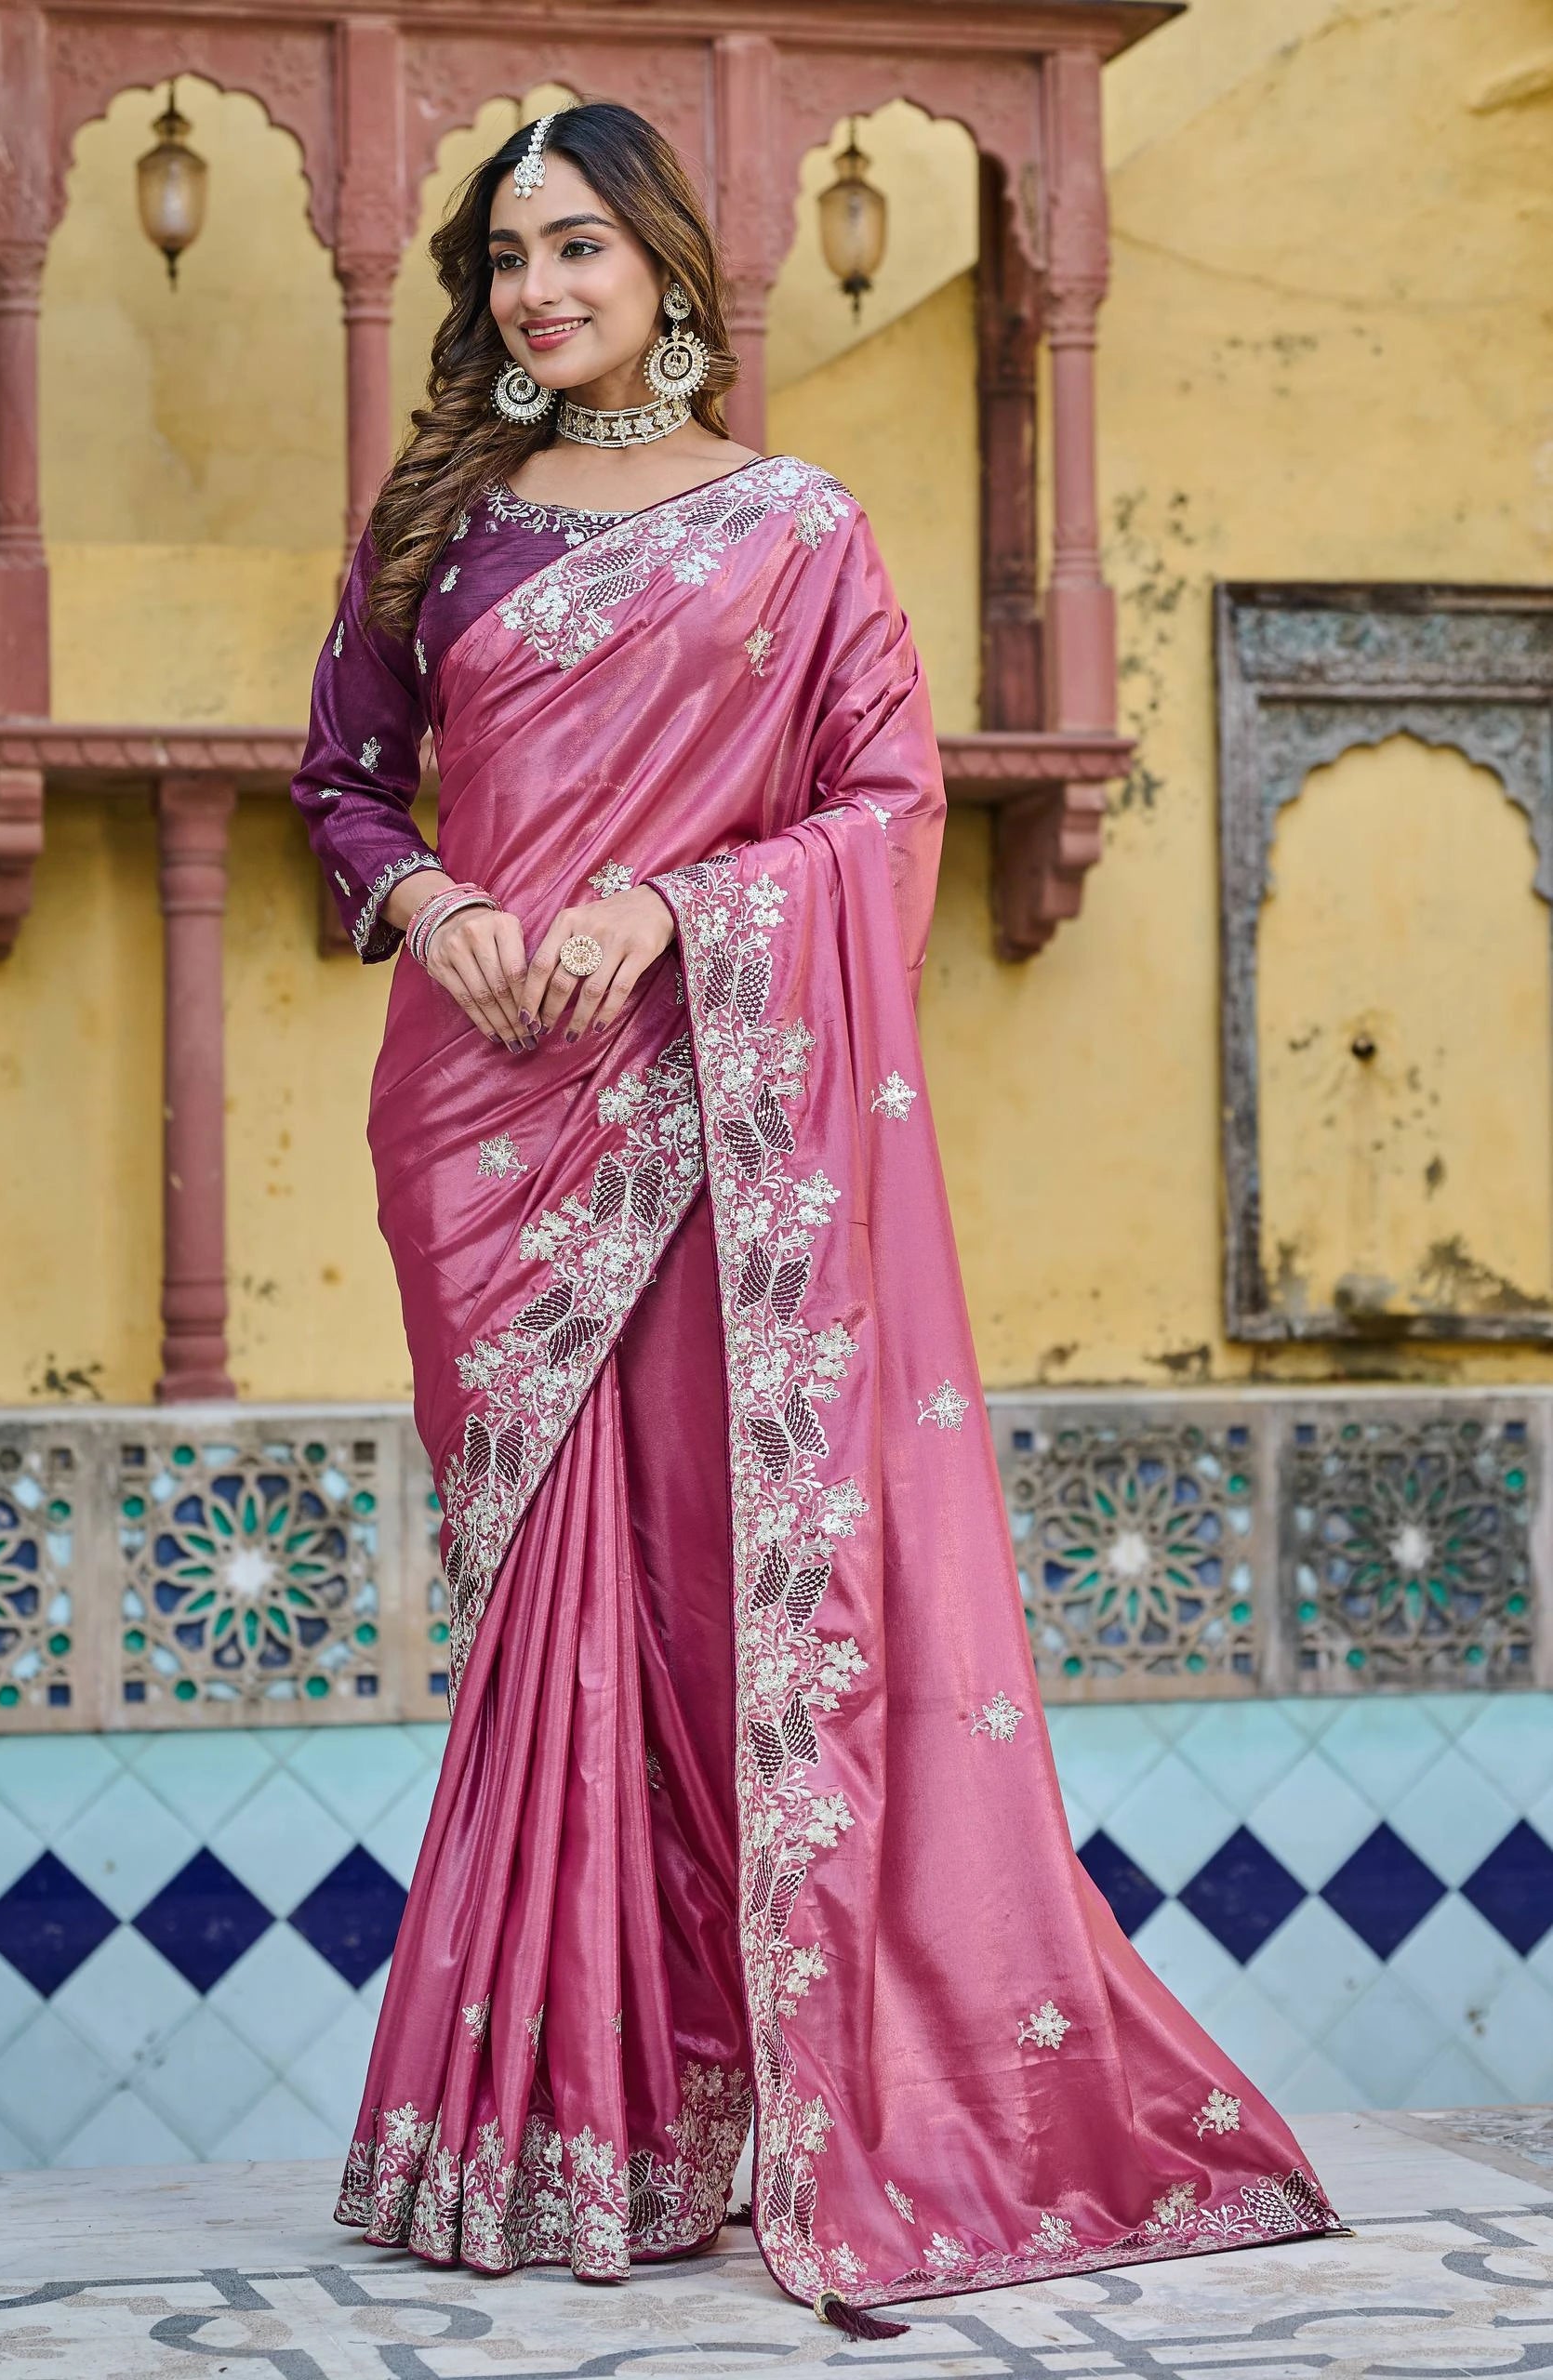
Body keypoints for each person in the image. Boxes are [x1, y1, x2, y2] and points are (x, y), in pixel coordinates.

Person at [291, 99, 1338, 2334]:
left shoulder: (797, 532)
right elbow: (344, 785)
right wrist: (445, 903)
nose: (537, 292)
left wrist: (673, 908)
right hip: (487, 1112)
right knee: (549, 1609)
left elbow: (884, 799)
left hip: (704, 1100)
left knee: (712, 1584)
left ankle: (744, 2101)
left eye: (576, 249)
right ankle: (551, 2118)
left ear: (667, 264)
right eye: (501, 261)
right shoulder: (445, 526)